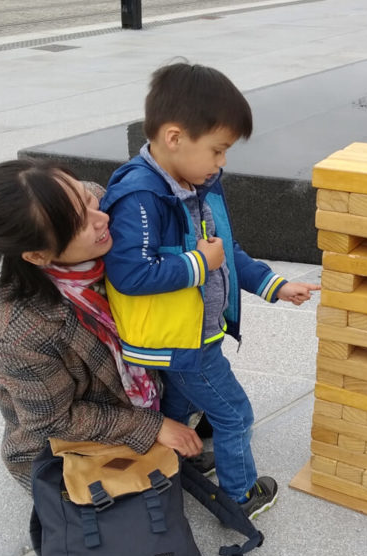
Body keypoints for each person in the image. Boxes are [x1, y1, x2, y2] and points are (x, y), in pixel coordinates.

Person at [100, 62, 320, 519]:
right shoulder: (141, 196)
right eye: (218, 150)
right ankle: (240, 497)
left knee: (180, 404)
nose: (222, 163)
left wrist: (273, 286)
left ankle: (186, 456)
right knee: (235, 415)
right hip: (179, 342)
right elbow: (131, 273)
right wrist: (200, 263)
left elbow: (224, 251)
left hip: (193, 335)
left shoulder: (192, 183)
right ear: (175, 137)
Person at [0, 159, 203, 493]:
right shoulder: (17, 331)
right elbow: (53, 421)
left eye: (86, 199)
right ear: (38, 256)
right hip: (71, 446)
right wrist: (151, 425)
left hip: (140, 390)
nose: (103, 218)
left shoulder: (97, 206)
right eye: (81, 223)